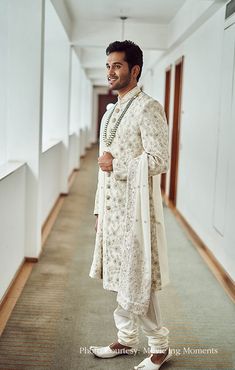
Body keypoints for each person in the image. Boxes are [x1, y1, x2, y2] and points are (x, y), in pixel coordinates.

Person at [89, 40, 171, 370]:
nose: (110, 71)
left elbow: (159, 159)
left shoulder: (148, 107)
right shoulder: (113, 110)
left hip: (135, 211)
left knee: (138, 277)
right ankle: (125, 339)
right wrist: (98, 209)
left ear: (134, 70)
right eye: (108, 65)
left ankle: (159, 345)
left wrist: (118, 164)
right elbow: (102, 163)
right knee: (118, 276)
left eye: (117, 66)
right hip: (111, 210)